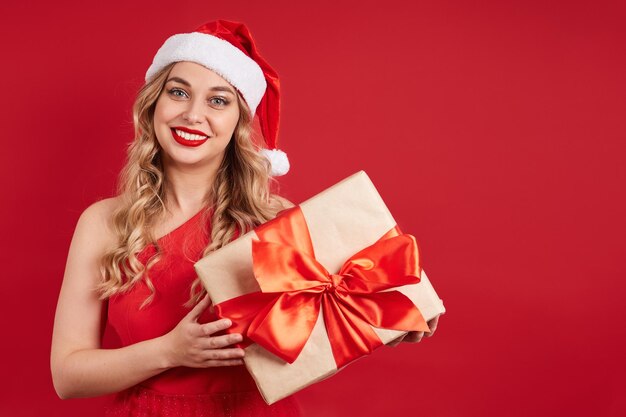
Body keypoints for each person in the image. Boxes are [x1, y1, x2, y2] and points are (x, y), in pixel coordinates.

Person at [50, 19, 441, 417]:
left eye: (218, 101)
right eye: (178, 92)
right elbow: (67, 375)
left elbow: (334, 319)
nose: (193, 114)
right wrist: (170, 351)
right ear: (153, 105)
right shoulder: (103, 223)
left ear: (238, 122)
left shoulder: (279, 224)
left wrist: (387, 323)